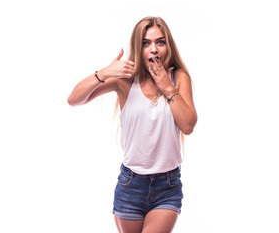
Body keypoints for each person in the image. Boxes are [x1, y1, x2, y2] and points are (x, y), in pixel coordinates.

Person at [67, 16, 197, 233]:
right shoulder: (125, 80)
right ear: (139, 47)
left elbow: (188, 126)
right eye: (146, 43)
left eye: (160, 42)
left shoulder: (178, 77)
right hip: (130, 184)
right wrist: (104, 73)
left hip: (167, 185)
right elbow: (74, 99)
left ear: (168, 46)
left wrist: (167, 87)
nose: (153, 49)